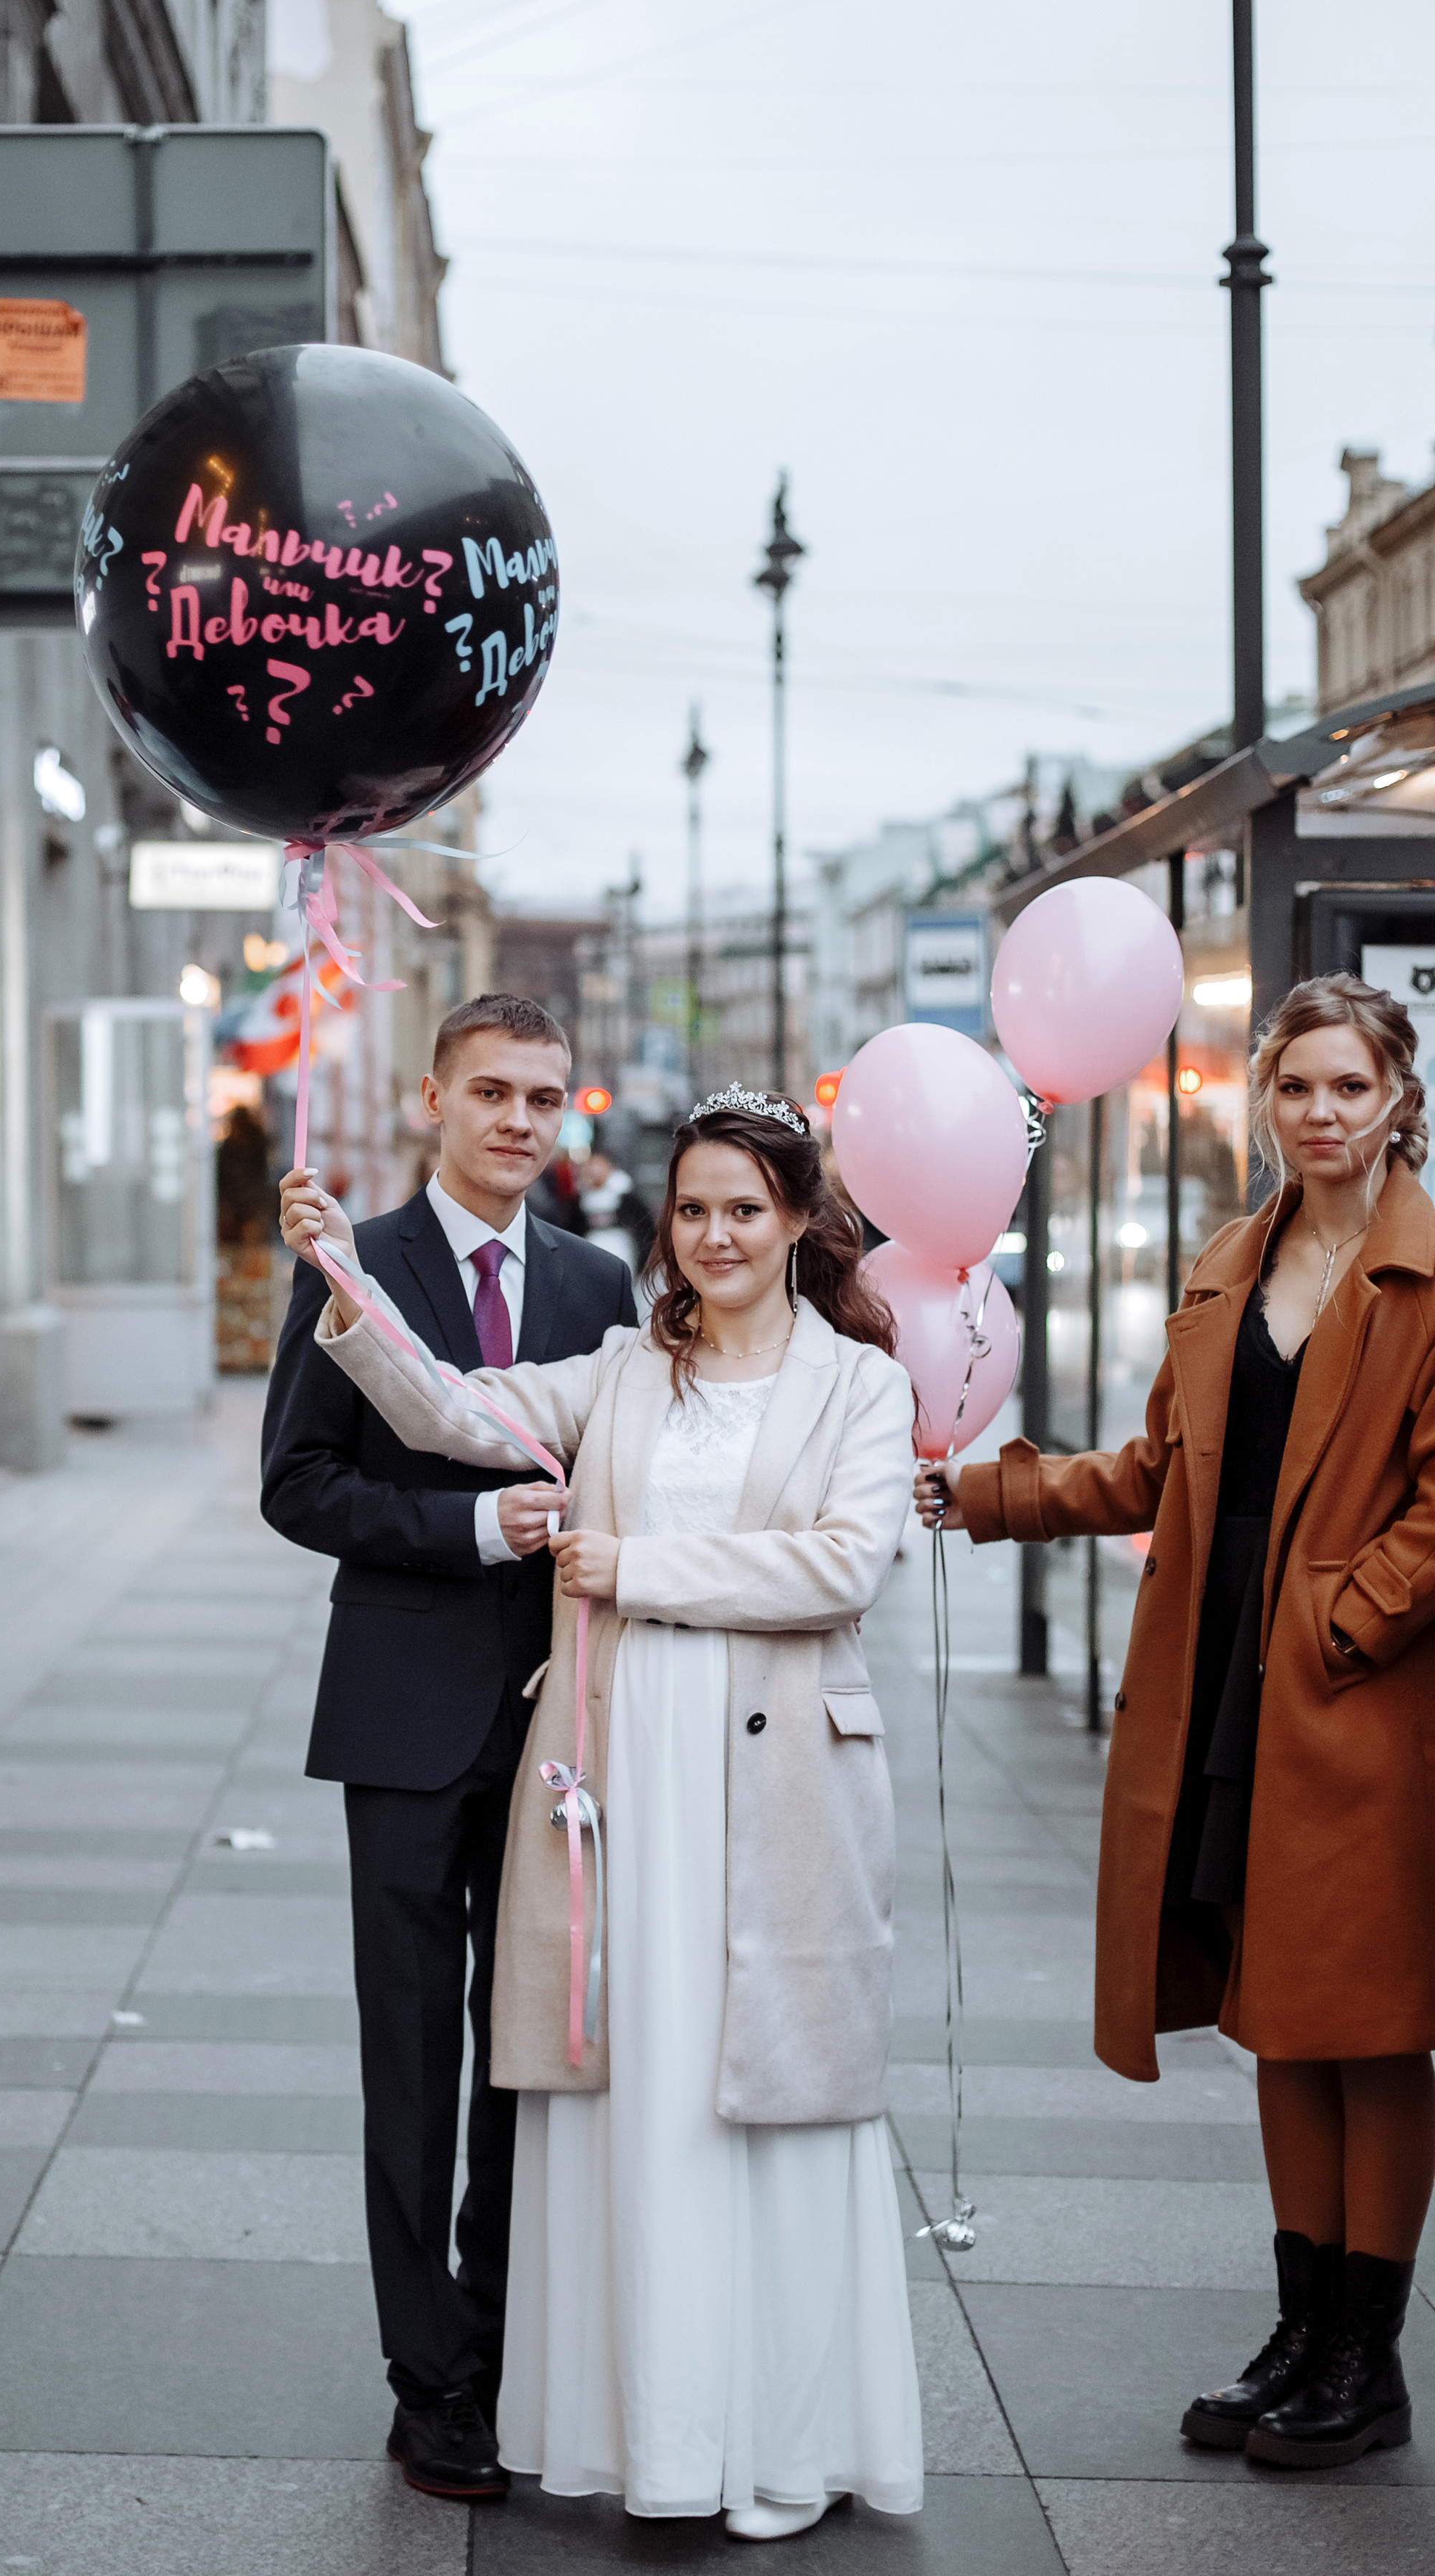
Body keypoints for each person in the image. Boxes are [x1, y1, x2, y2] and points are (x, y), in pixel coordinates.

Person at [279, 1083, 925, 2538]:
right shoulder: (626, 1370)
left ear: (796, 1222)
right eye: (690, 1208)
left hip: (773, 1785)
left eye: (742, 1209)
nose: (712, 1233)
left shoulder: (857, 1386)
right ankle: (649, 2433)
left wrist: (629, 1566)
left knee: (761, 2095)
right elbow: (449, 1410)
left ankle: (771, 2434)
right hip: (621, 1778)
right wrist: (339, 1279)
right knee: (638, 2097)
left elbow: (839, 1566)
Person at [919, 972, 1435, 2473]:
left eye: (1349, 1086)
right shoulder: (1229, 1258)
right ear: (1257, 1101)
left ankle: (1366, 2352)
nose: (1319, 1114)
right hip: (1228, 1686)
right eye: (1293, 1087)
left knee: (1370, 2032)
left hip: (1359, 1708)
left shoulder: (1425, 1276)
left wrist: (1341, 1621)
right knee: (1274, 2014)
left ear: (1396, 1096)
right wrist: (990, 1492)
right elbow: (1154, 1470)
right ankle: (1299, 2330)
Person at [260, 993, 638, 2503]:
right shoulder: (355, 1265)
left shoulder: (599, 1281)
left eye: (543, 1101)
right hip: (404, 1718)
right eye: (491, 1094)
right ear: (433, 1100)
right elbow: (296, 1485)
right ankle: (428, 2383)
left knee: (526, 2054)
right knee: (413, 2060)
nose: (518, 1124)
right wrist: (468, 1526)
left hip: (562, 1722)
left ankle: (500, 2345)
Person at [577, 1147, 654, 1278]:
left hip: (621, 1250)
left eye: (598, 1165)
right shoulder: (582, 1198)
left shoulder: (625, 1197)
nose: (593, 1170)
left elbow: (645, 1227)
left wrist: (644, 1259)